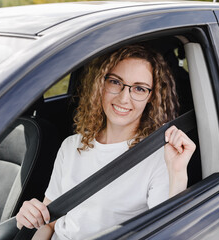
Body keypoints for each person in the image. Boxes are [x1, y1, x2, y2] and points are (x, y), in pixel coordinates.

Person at [16, 44, 196, 240]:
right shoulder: (71, 145)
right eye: (115, 82)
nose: (124, 98)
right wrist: (31, 217)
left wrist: (177, 173)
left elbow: (167, 232)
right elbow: (49, 224)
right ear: (100, 85)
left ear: (151, 97)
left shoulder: (160, 158)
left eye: (139, 88)